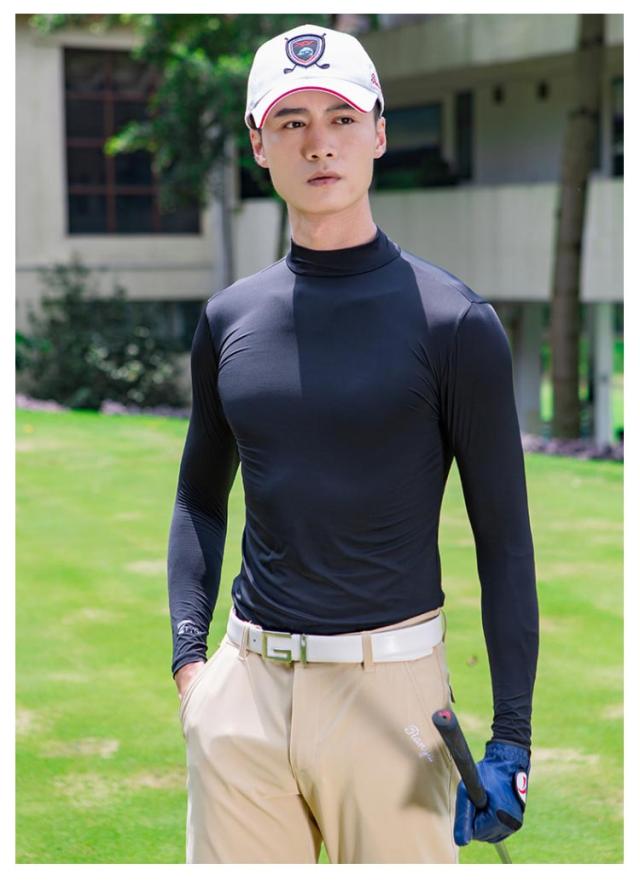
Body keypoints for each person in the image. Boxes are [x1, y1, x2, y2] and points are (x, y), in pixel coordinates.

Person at [167, 22, 538, 864]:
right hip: (243, 693)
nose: (318, 143)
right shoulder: (229, 318)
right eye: (291, 121)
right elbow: (198, 496)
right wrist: (193, 666)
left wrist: (512, 736)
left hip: (394, 702)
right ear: (258, 144)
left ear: (378, 133)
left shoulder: (456, 324)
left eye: (340, 117)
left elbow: (504, 540)